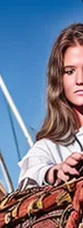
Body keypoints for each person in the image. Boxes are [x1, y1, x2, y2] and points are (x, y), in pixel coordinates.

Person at [18, 23, 83, 190]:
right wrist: (54, 172)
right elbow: (29, 179)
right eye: (70, 71)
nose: (79, 80)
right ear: (59, 80)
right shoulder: (49, 147)